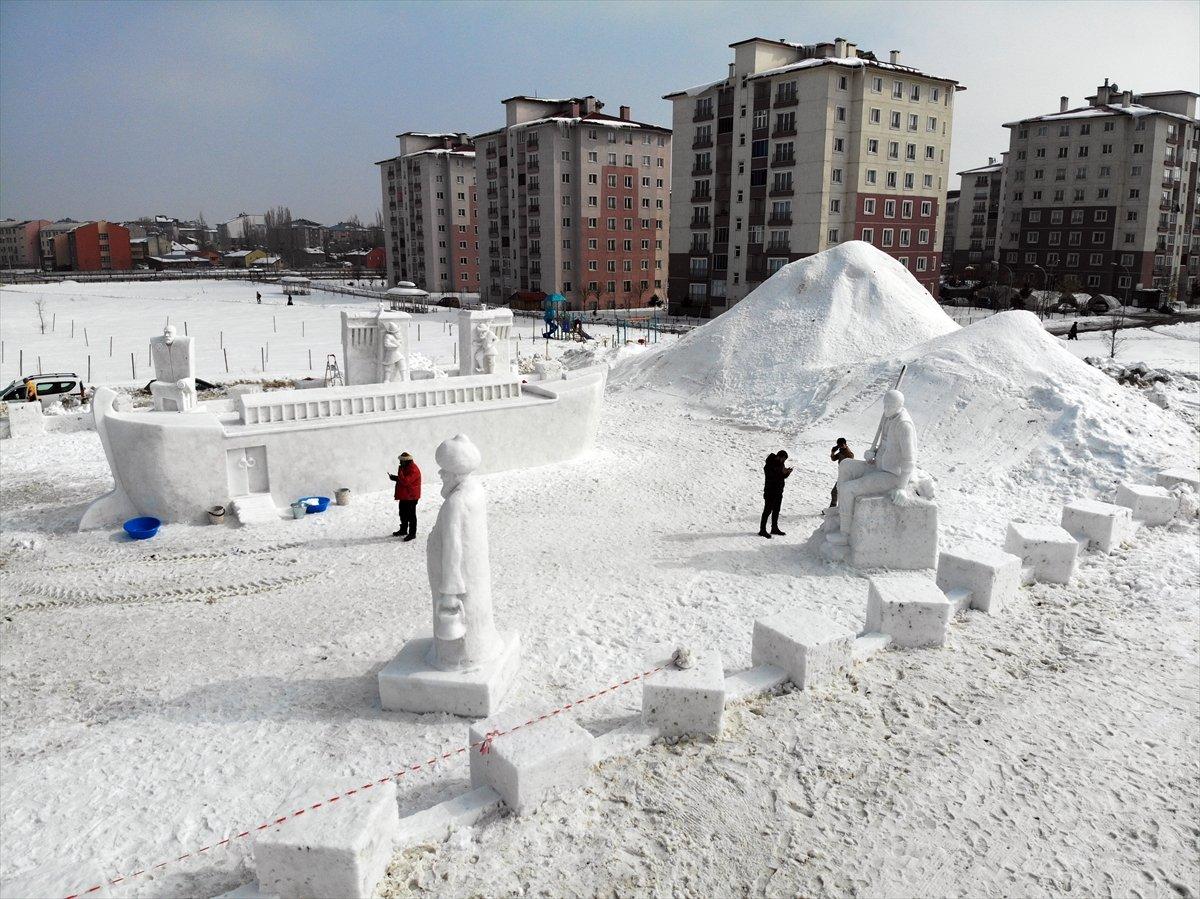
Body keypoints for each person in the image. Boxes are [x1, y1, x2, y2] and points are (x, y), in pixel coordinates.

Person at [759, 450, 792, 538]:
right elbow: (771, 477)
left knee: (776, 510)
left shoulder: (781, 464)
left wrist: (787, 473)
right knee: (767, 511)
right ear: (778, 457)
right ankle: (762, 530)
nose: (784, 461)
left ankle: (774, 528)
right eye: (783, 459)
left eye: (785, 460)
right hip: (770, 491)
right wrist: (782, 473)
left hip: (778, 491)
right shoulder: (769, 464)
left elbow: (781, 477)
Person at [389, 451, 421, 540]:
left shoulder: (413, 469)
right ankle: (403, 530)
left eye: (401, 461)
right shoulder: (406, 467)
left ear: (406, 461)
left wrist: (400, 471)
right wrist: (395, 478)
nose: (399, 463)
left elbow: (406, 481)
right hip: (405, 495)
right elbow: (404, 479)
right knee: (403, 513)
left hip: (411, 496)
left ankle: (412, 533)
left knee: (411, 515)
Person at [829, 437, 854, 507]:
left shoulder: (848, 452)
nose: (840, 446)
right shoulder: (841, 452)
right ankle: (832, 507)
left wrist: (845, 448)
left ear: (845, 444)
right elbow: (833, 458)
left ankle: (845, 508)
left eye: (841, 445)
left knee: (843, 493)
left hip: (848, 477)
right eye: (839, 445)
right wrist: (832, 452)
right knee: (834, 492)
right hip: (842, 476)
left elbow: (851, 457)